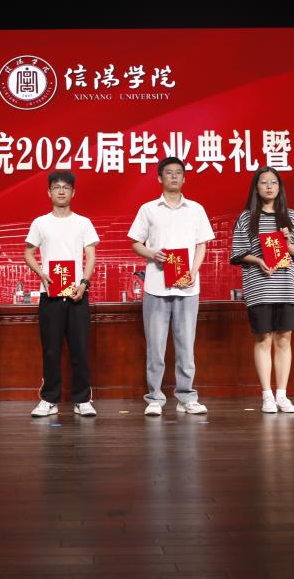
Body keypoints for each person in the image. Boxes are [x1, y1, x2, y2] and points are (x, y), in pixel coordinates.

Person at [128, 157, 215, 417]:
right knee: (155, 346)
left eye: (179, 173)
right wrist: (152, 254)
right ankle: (154, 397)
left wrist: (193, 271)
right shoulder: (148, 209)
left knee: (186, 345)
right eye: (169, 173)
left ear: (184, 178)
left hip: (187, 288)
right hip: (156, 287)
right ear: (159, 178)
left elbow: (201, 245)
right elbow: (135, 242)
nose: (174, 177)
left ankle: (186, 397)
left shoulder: (196, 209)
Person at [229, 167, 294, 414]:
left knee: (284, 338)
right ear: (256, 187)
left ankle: (282, 395)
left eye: (274, 182)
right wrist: (259, 261)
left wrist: (289, 242)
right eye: (264, 182)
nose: (269, 186)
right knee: (263, 338)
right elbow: (237, 253)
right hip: (259, 286)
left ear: (280, 187)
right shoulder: (246, 218)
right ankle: (267, 396)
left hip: (286, 285)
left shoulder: (291, 217)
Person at [24, 171, 100, 418]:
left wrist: (84, 283)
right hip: (50, 295)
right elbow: (28, 253)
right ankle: (49, 400)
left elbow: (91, 256)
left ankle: (83, 400)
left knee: (80, 349)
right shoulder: (40, 223)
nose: (60, 191)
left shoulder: (83, 223)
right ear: (49, 192)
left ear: (73, 192)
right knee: (51, 350)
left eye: (66, 187)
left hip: (77, 294)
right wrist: (41, 274)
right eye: (56, 187)